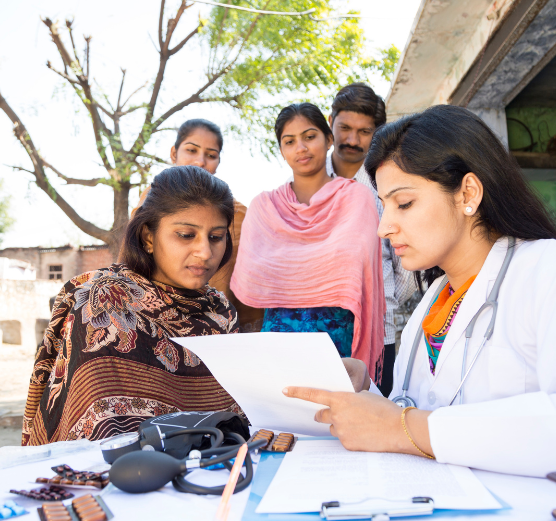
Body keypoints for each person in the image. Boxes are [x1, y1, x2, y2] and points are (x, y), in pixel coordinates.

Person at [283, 105, 556, 477]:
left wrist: (406, 427)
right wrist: (365, 392)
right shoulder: (434, 301)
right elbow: (418, 410)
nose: (384, 228)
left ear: (468, 194)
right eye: (384, 207)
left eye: (404, 203)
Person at [22, 166, 245, 445]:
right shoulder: (104, 302)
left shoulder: (221, 312)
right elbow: (102, 435)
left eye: (216, 237)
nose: (205, 251)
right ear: (148, 237)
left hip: (222, 465)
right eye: (186, 234)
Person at [231, 103, 386, 382]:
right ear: (281, 150)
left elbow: (356, 268)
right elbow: (252, 275)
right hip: (278, 335)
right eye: (289, 141)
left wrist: (289, 269)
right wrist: (319, 268)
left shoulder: (357, 199)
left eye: (310, 136)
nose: (300, 148)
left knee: (336, 406)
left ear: (329, 139)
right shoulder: (265, 207)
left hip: (335, 334)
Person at [327, 83, 417, 396]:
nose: (352, 140)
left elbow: (408, 269)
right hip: (317, 329)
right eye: (345, 128)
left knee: (374, 413)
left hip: (379, 333)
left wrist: (380, 300)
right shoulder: (303, 183)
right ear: (330, 122)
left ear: (377, 133)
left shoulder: (389, 185)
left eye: (364, 132)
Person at [137, 118, 264, 332]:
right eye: (191, 150)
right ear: (174, 153)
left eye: (211, 155)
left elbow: (249, 283)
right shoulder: (150, 201)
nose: (200, 161)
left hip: (218, 328)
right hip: (151, 321)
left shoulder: (240, 216)